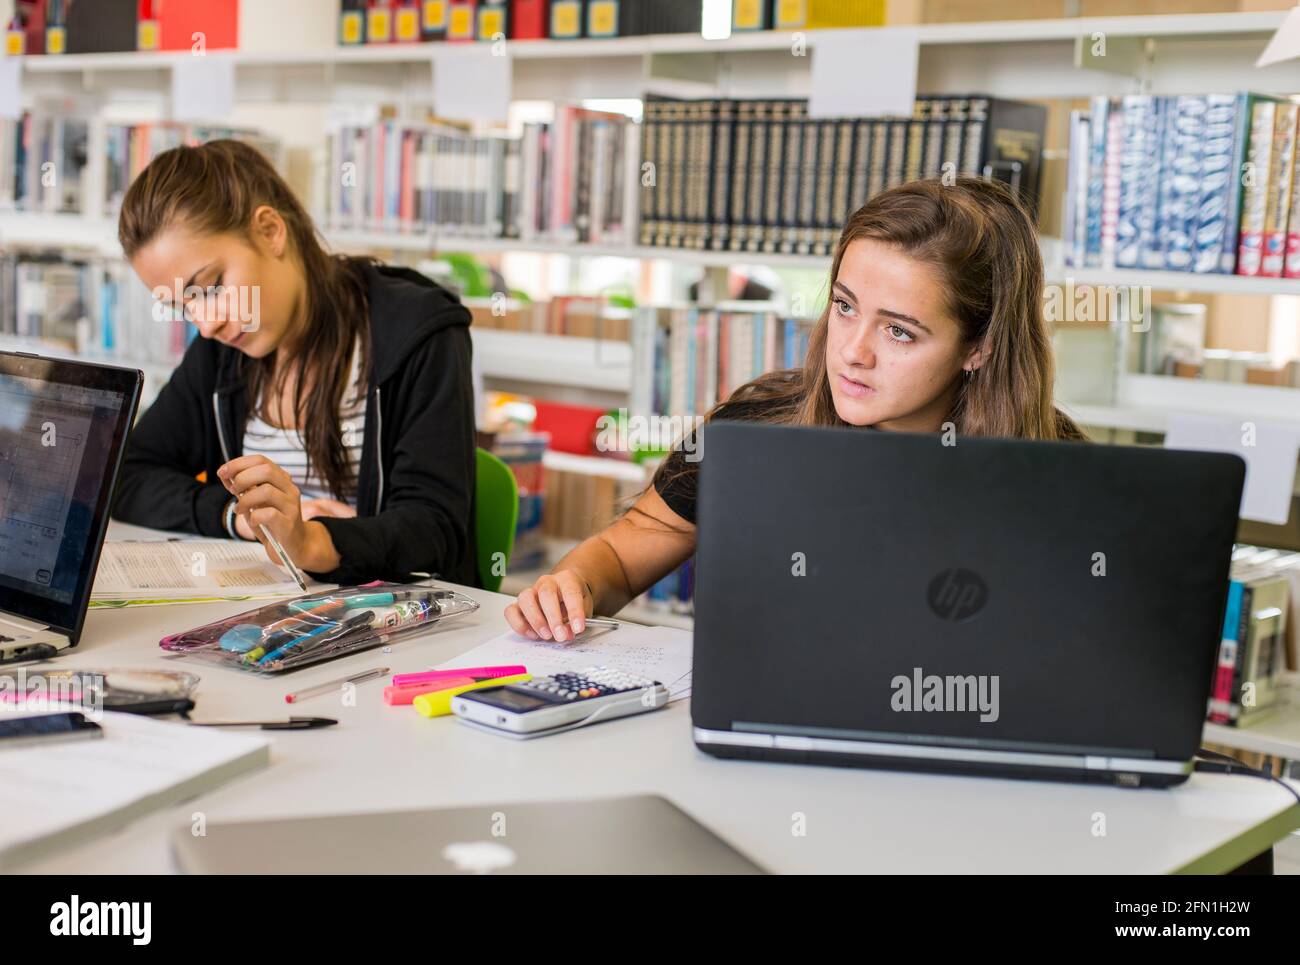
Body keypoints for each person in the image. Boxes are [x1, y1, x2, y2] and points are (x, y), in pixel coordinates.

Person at [507, 177, 1086, 641]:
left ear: (979, 347)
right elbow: (619, 555)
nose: (853, 352)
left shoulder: (1056, 468)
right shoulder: (756, 426)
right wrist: (573, 584)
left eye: (900, 333)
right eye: (844, 306)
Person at [112, 139, 478, 586]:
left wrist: (312, 542)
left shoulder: (418, 331)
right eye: (182, 306)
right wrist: (243, 517)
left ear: (270, 230)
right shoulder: (222, 351)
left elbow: (437, 530)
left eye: (209, 287)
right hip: (279, 612)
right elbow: (126, 474)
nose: (205, 324)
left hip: (402, 624)